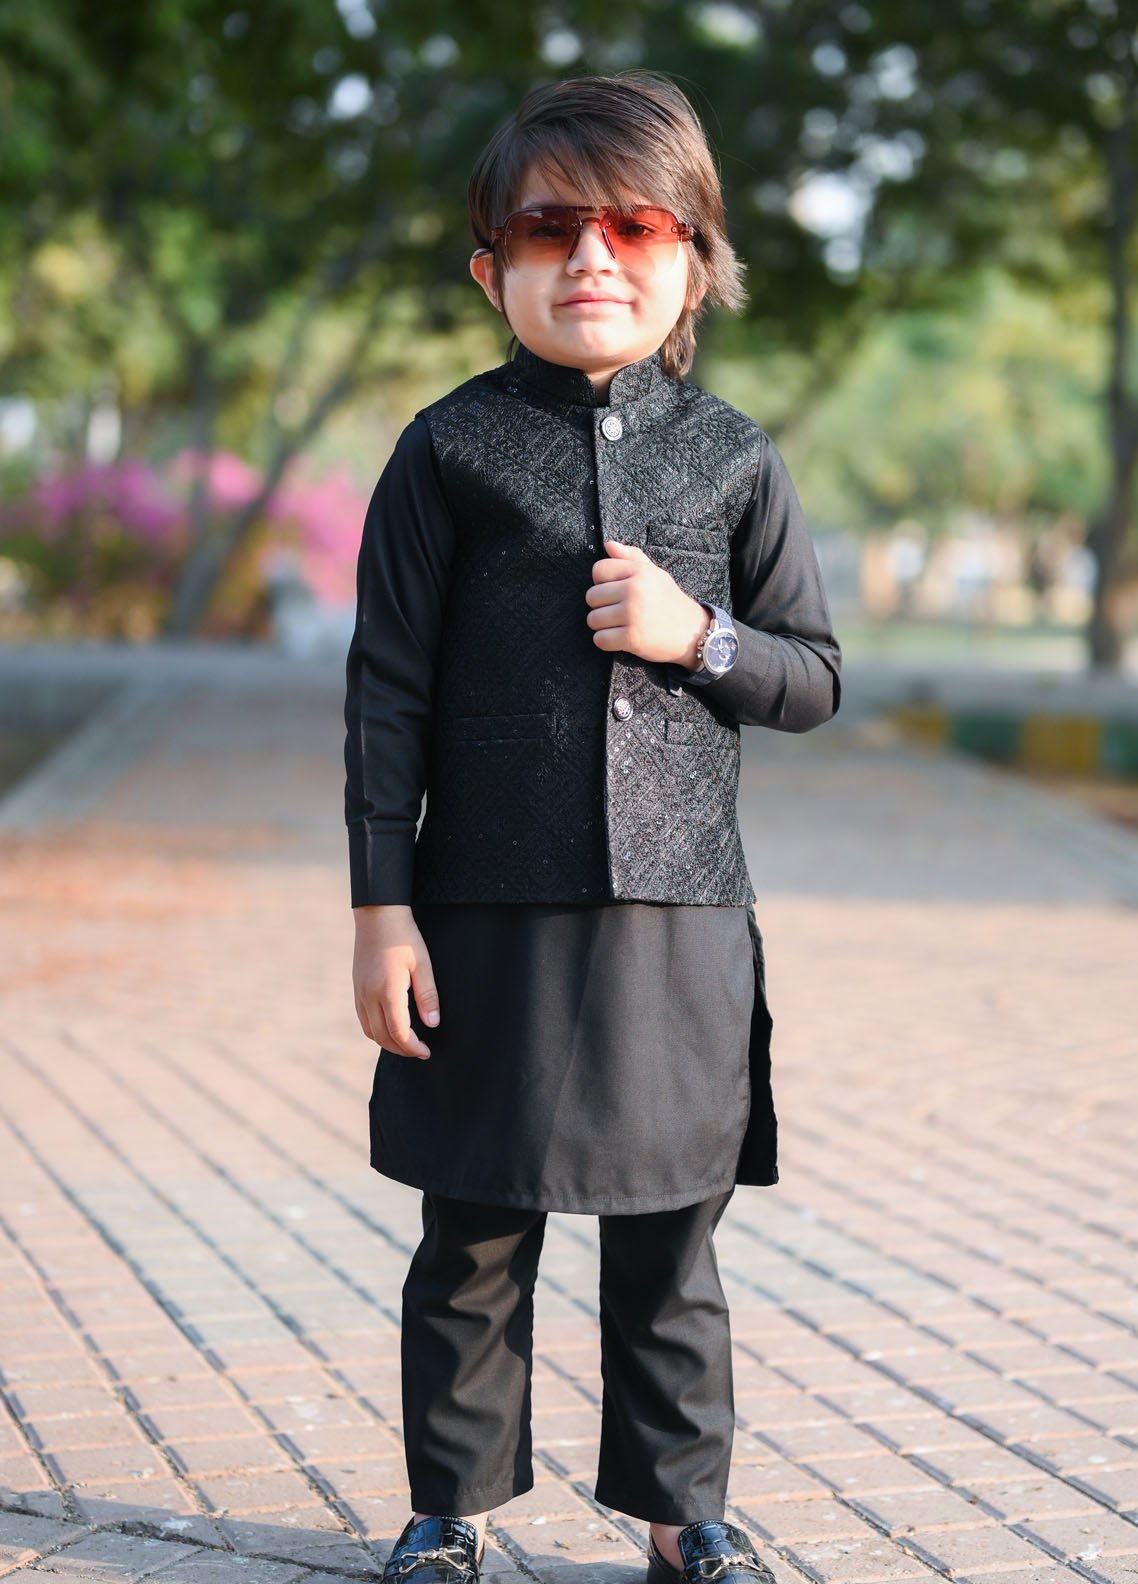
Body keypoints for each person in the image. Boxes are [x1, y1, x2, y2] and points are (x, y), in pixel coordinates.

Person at [343, 70, 841, 1584]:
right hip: (481, 911)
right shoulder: (446, 451)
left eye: (634, 226)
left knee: (672, 1241)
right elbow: (385, 694)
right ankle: (449, 1513)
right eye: (549, 230)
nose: (591, 259)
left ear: (696, 258)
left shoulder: (736, 457)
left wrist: (700, 636)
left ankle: (686, 1518)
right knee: (472, 1236)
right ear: (488, 268)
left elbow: (814, 677)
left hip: (681, 919)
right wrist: (381, 910)